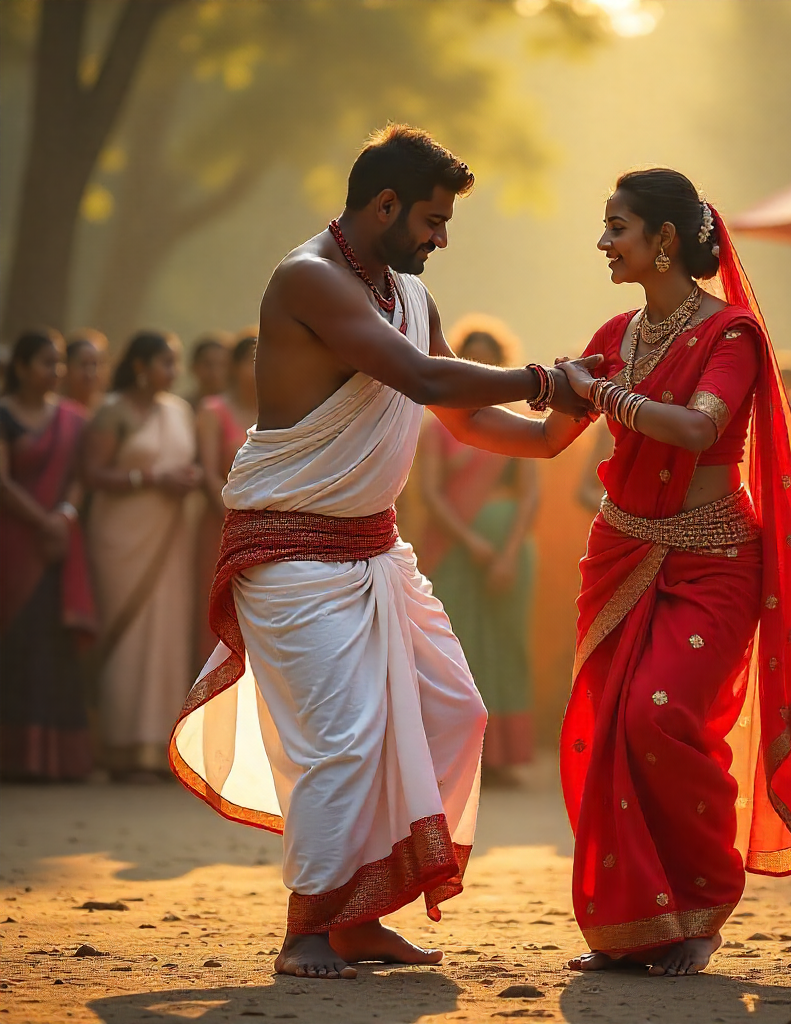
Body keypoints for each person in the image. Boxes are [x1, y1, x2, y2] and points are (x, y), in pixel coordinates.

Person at [168, 125, 594, 980]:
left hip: (373, 549)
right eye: (434, 220)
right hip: (287, 547)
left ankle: (361, 919)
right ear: (385, 205)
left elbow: (462, 418)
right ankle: (310, 930)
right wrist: (545, 380)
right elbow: (430, 382)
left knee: (453, 712)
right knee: (346, 740)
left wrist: (552, 435)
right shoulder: (309, 278)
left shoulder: (406, 290)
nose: (442, 238)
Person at [428, 169, 791, 977]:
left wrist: (606, 395)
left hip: (716, 559)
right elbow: (547, 438)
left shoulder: (731, 336)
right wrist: (436, 388)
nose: (603, 243)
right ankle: (635, 929)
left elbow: (695, 430)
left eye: (617, 227)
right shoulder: (616, 331)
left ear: (663, 241)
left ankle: (703, 901)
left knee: (660, 715)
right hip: (624, 550)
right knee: (609, 728)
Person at [418, 317, 539, 782]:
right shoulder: (438, 426)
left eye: (491, 360)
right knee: (457, 646)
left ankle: (505, 758)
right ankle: (458, 753)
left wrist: (505, 553)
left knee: (508, 645)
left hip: (510, 548)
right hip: (454, 547)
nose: (483, 367)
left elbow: (529, 495)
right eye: (474, 360)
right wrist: (472, 544)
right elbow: (430, 493)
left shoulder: (522, 424)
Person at [83, 331, 202, 780]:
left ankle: (156, 751)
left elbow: (188, 465)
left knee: (164, 637)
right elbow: (92, 473)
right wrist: (150, 478)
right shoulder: (112, 411)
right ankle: (116, 748)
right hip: (121, 538)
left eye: (175, 363)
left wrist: (188, 478)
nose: (173, 372)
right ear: (139, 365)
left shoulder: (179, 412)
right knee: (126, 639)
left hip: (171, 534)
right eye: (165, 363)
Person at [0, 328, 96, 780]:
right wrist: (44, 522)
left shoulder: (74, 419)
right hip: (16, 543)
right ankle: (16, 759)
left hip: (60, 541)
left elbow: (80, 476)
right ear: (19, 368)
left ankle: (55, 762)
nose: (55, 371)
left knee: (53, 645)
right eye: (45, 362)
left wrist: (66, 514)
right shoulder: (4, 415)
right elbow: (2, 482)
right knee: (16, 643)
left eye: (58, 362)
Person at [193, 332, 258, 669]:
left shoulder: (277, 409)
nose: (258, 366)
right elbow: (207, 474)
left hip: (264, 533)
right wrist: (236, 520)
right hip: (222, 529)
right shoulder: (213, 410)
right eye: (250, 359)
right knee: (218, 614)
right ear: (233, 366)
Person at [62, 329, 109, 411]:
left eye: (94, 364)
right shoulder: (55, 411)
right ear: (67, 368)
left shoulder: (108, 409)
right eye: (84, 364)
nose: (90, 372)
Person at [187, 332, 231, 408]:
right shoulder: (183, 408)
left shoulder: (239, 409)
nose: (215, 372)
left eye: (222, 365)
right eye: (208, 364)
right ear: (194, 367)